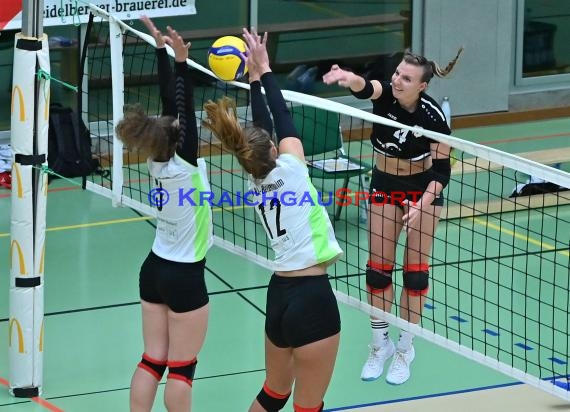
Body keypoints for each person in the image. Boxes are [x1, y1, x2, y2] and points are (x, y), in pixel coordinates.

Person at [202, 28, 342, 412]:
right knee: (307, 406)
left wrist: (254, 77)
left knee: (273, 394)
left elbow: (267, 124)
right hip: (312, 299)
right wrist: (262, 68)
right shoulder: (293, 169)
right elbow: (280, 116)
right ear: (273, 150)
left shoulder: (256, 179)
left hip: (278, 296)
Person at [323, 48, 462, 385]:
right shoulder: (386, 96)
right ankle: (379, 343)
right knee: (377, 272)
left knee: (415, 275)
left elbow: (442, 173)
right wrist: (347, 77)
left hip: (422, 190)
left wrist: (422, 204)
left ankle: (405, 348)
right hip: (385, 184)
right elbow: (365, 86)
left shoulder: (432, 119)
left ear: (423, 86)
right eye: (398, 73)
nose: (397, 80)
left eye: (406, 78)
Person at [116, 17, 213, 412]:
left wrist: (162, 52)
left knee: (151, 359)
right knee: (181, 369)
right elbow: (181, 107)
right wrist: (182, 62)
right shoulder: (186, 164)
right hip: (185, 273)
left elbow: (168, 108)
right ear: (178, 137)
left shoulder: (158, 158)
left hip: (153, 268)